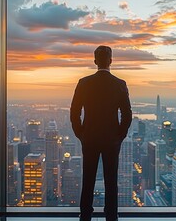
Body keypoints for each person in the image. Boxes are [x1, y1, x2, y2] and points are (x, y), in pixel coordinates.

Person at [70, 45, 132, 221]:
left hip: (89, 138)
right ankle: (111, 215)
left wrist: (81, 134)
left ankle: (85, 214)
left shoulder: (84, 83)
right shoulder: (119, 84)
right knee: (111, 179)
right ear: (111, 61)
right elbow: (127, 115)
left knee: (88, 177)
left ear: (95, 61)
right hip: (112, 139)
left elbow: (74, 112)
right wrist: (119, 136)